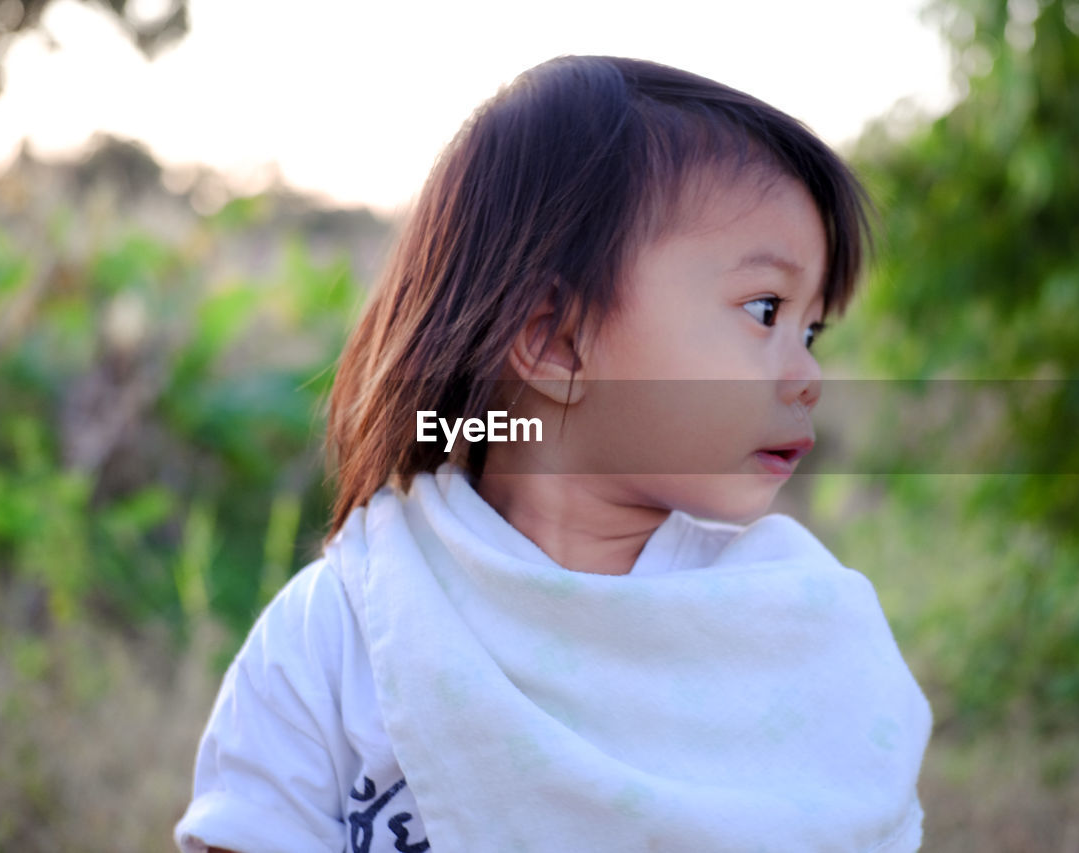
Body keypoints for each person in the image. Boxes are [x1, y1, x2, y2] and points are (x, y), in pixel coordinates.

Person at [175, 55, 932, 853]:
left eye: (810, 330)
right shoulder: (342, 633)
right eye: (764, 309)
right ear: (554, 341)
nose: (808, 373)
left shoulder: (796, 623)